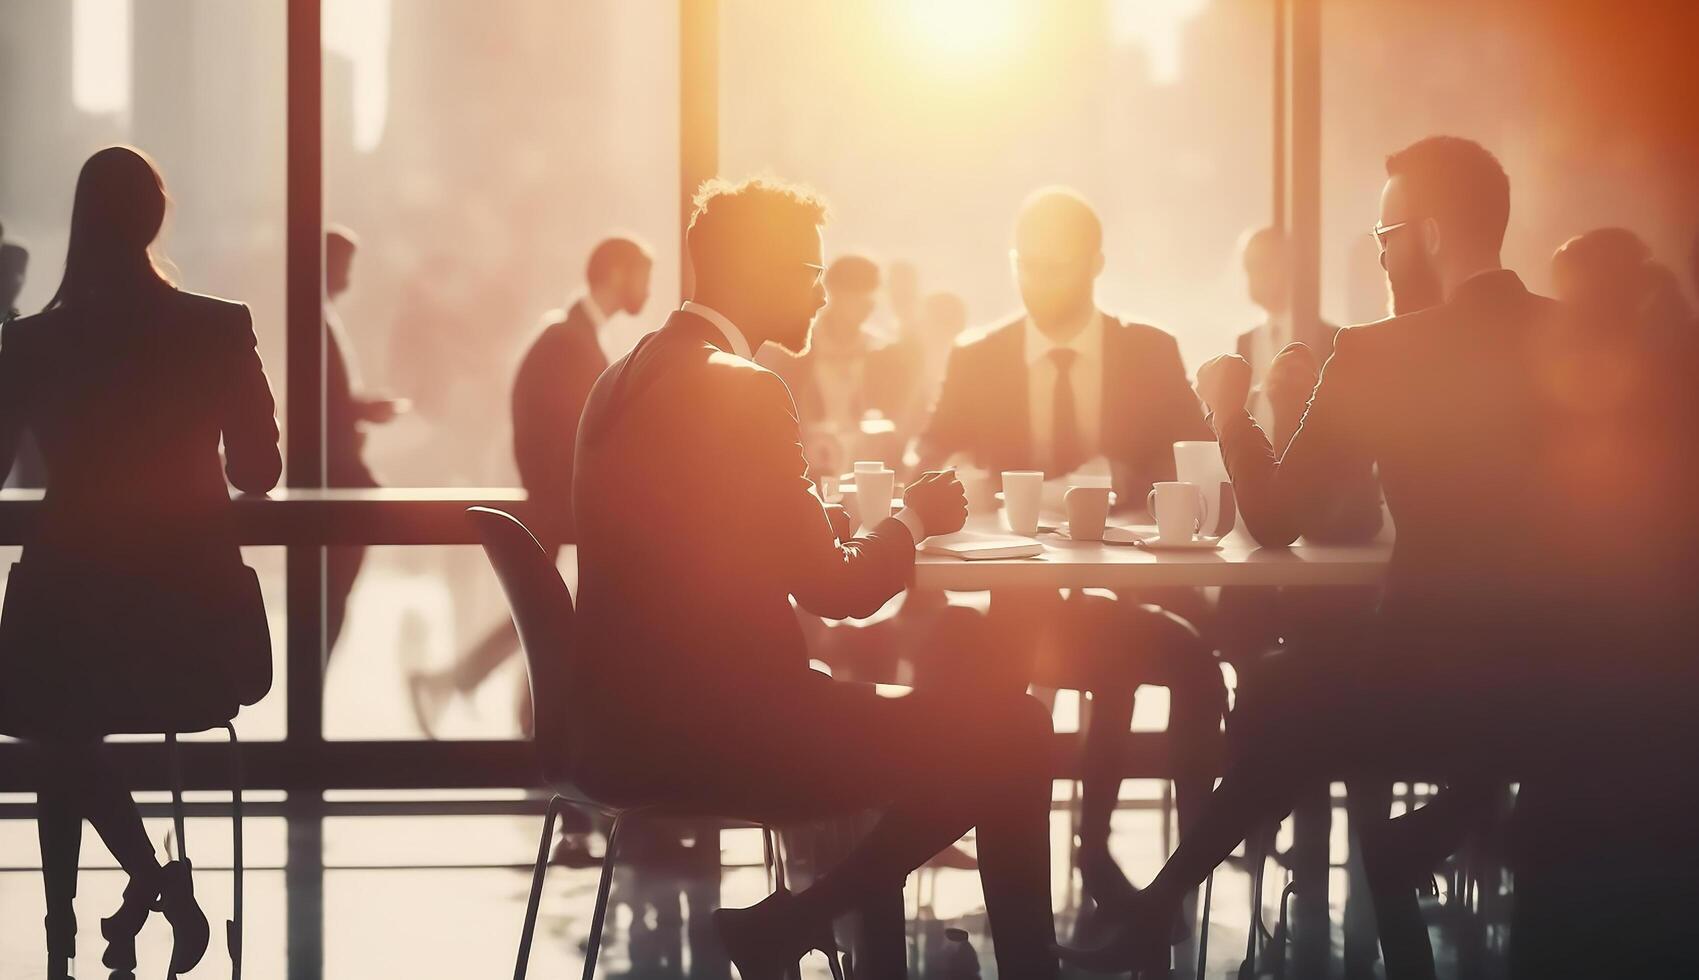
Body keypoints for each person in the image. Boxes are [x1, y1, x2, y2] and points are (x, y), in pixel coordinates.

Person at [1062, 135, 1699, 978]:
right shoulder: (1574, 340)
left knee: (1281, 693)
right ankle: (1384, 860)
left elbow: (1278, 515)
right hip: (1577, 699)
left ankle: (1162, 910)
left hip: (1429, 687)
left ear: (1429, 236)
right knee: (1303, 694)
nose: (1381, 256)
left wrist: (1228, 413)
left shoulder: (1378, 352)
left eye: (1383, 237)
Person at [571, 176, 1059, 979]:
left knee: (971, 732)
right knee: (1015, 733)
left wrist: (808, 531)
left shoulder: (622, 379)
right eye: (810, 273)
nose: (824, 296)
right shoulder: (747, 388)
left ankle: (799, 920)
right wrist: (911, 518)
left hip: (615, 732)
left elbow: (690, 543)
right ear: (758, 275)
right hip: (730, 734)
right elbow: (840, 595)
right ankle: (810, 924)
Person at [0, 146, 282, 980]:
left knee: (61, 734)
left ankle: (81, 927)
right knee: (65, 731)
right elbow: (260, 473)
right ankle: (157, 883)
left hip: (62, 627)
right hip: (191, 639)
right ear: (157, 218)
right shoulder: (220, 325)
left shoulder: (32, 342)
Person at [914, 186, 1227, 927]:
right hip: (1018, 605)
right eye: (1024, 263)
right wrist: (960, 470)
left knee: (1154, 650)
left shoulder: (1147, 351)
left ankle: (1143, 859)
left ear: (1095, 265)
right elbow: (925, 456)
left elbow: (1193, 459)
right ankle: (1060, 854)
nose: (1034, 281)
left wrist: (1126, 479)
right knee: (1084, 652)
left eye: (1054, 266)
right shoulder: (978, 356)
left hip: (1123, 590)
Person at [407, 236, 652, 742]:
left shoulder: (568, 336)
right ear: (614, 274)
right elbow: (574, 433)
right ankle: (522, 717)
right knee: (550, 615)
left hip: (554, 500)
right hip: (559, 503)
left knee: (546, 615)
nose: (648, 290)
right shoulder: (570, 343)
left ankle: (518, 715)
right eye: (642, 276)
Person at [322, 226, 404, 657]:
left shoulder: (321, 322)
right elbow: (326, 406)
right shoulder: (319, 325)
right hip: (336, 474)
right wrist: (363, 411)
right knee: (332, 600)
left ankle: (309, 705)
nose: (349, 277)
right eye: (344, 266)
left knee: (332, 602)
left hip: (337, 469)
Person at [761, 254, 914, 472]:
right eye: (858, 298)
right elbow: (782, 410)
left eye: (870, 301)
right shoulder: (798, 349)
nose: (866, 309)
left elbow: (894, 415)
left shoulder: (880, 350)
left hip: (865, 459)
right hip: (809, 456)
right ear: (836, 294)